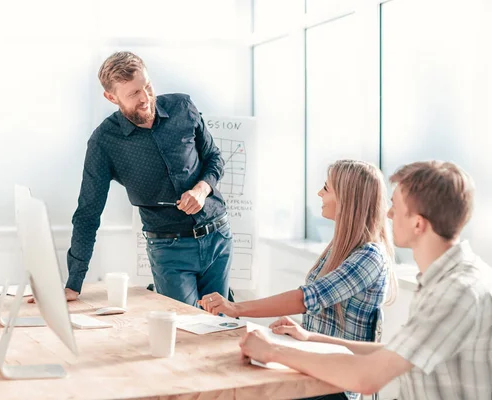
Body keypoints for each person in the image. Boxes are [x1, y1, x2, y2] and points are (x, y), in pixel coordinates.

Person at [239, 161, 492, 400]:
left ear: (418, 224)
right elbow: (391, 350)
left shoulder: (457, 291)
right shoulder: (443, 279)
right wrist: (311, 338)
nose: (389, 214)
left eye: (396, 207)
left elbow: (367, 377)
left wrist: (273, 351)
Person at [200, 159, 395, 400]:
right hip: (315, 371)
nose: (319, 193)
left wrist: (235, 307)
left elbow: (306, 298)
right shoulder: (342, 247)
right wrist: (302, 331)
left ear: (347, 198)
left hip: (335, 388)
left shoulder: (369, 256)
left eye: (326, 188)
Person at [61, 51, 232, 306]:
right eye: (133, 94)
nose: (145, 99)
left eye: (147, 87)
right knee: (184, 329)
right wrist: (73, 282)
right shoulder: (104, 141)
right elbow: (88, 212)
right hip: (169, 250)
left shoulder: (183, 107)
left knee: (221, 330)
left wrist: (201, 189)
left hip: (218, 237)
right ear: (111, 97)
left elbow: (213, 157)